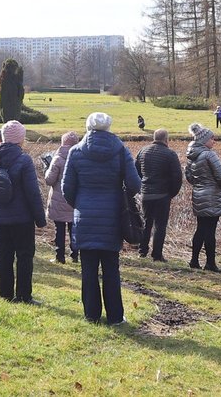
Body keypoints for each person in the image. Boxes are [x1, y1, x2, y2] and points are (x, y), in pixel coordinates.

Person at [62, 113, 141, 325]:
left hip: (85, 216)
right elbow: (135, 184)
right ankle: (115, 316)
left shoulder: (75, 151)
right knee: (111, 269)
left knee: (88, 269)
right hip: (112, 215)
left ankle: (91, 314)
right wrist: (121, 196)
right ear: (108, 127)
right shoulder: (120, 150)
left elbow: (66, 188)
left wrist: (80, 204)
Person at [0, 120, 46, 304]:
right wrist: (40, 219)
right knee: (24, 255)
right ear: (21, 139)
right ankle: (24, 295)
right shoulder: (24, 160)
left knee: (4, 254)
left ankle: (5, 293)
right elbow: (33, 193)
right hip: (22, 217)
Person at [185, 123, 221, 272]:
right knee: (210, 230)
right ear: (204, 140)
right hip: (212, 196)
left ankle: (194, 261)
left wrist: (199, 186)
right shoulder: (209, 154)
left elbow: (189, 177)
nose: (214, 141)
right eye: (212, 138)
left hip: (198, 195)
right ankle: (210, 263)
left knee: (200, 229)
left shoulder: (191, 156)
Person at [135, 128, 183, 262]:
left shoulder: (143, 151)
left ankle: (142, 251)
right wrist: (171, 193)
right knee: (160, 226)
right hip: (162, 195)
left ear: (154, 138)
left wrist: (142, 186)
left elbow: (136, 171)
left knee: (146, 222)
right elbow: (177, 177)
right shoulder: (170, 154)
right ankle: (156, 255)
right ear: (167, 139)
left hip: (146, 194)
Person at [44, 131, 79, 264]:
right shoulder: (79, 158)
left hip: (59, 199)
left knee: (60, 229)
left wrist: (47, 170)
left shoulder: (57, 159)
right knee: (74, 228)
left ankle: (60, 256)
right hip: (74, 199)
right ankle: (75, 255)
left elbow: (49, 180)